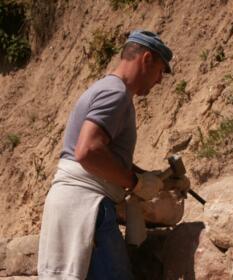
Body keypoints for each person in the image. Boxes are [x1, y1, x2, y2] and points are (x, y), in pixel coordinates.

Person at [37, 30, 173, 280]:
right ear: (146, 59)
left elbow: (104, 153)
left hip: (74, 202)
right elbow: (88, 151)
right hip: (87, 206)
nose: (159, 80)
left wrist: (144, 175)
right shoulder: (116, 94)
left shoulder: (107, 89)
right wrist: (135, 183)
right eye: (161, 71)